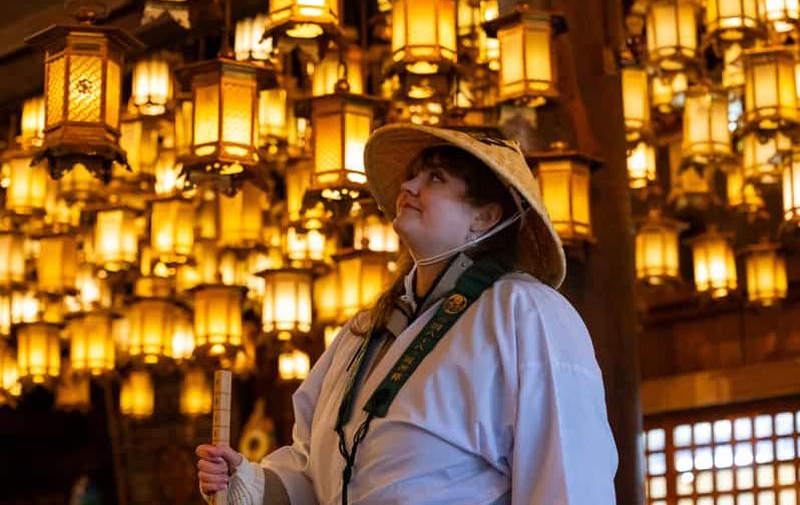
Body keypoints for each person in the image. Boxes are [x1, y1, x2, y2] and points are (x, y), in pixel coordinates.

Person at [196, 124, 618, 504]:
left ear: (484, 217)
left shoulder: (526, 313)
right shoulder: (362, 333)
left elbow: (569, 476)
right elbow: (312, 473)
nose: (409, 185)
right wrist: (246, 482)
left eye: (434, 177)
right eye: (411, 174)